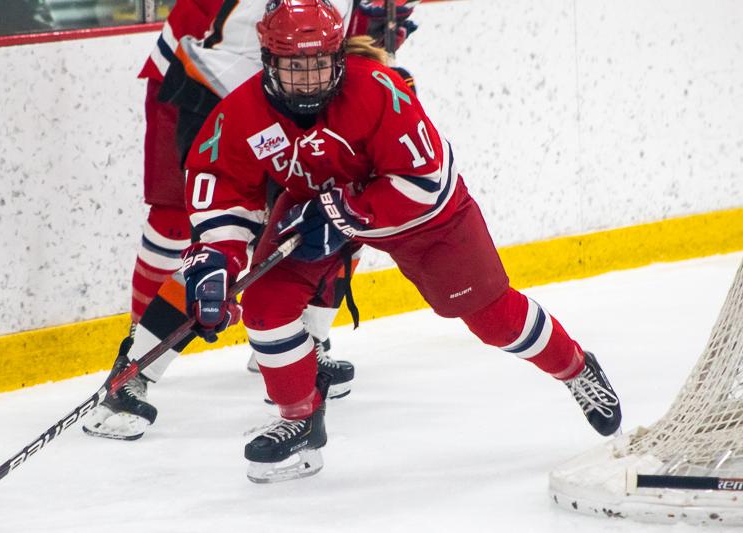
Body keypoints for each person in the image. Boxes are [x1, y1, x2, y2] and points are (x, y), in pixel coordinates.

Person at [178, 0, 623, 483]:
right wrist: (217, 257)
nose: (307, 80)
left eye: (318, 65)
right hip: (317, 207)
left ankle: (576, 368)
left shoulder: (378, 91)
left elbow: (425, 182)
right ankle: (300, 422)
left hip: (422, 218)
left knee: (493, 319)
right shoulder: (242, 112)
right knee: (265, 303)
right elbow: (220, 183)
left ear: (338, 58)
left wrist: (347, 214)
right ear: (267, 60)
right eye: (293, 67)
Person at [82, 0, 419, 440]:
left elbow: (348, 26)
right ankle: (137, 369)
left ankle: (300, 343)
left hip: (303, 92)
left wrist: (373, 31)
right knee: (222, 244)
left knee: (337, 212)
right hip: (219, 85)